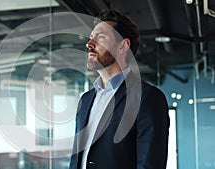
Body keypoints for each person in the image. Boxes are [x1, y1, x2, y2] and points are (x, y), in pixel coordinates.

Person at [69, 9, 170, 169]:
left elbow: (150, 164)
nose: (89, 44)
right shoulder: (86, 100)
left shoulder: (147, 98)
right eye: (91, 38)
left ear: (123, 46)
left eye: (100, 37)